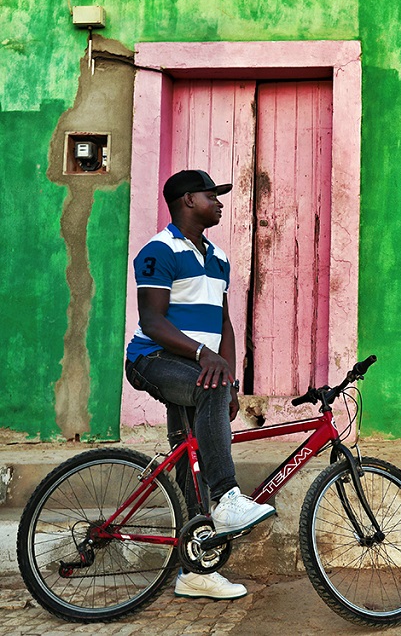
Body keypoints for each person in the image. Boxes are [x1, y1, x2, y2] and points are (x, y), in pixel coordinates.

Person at [124, 169, 276, 600]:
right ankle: (228, 498)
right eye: (213, 195)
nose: (220, 202)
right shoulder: (159, 250)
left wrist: (229, 373)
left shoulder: (219, 257)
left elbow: (224, 321)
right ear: (188, 201)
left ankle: (196, 572)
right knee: (207, 391)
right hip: (153, 360)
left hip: (199, 368)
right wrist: (203, 358)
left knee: (190, 458)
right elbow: (151, 321)